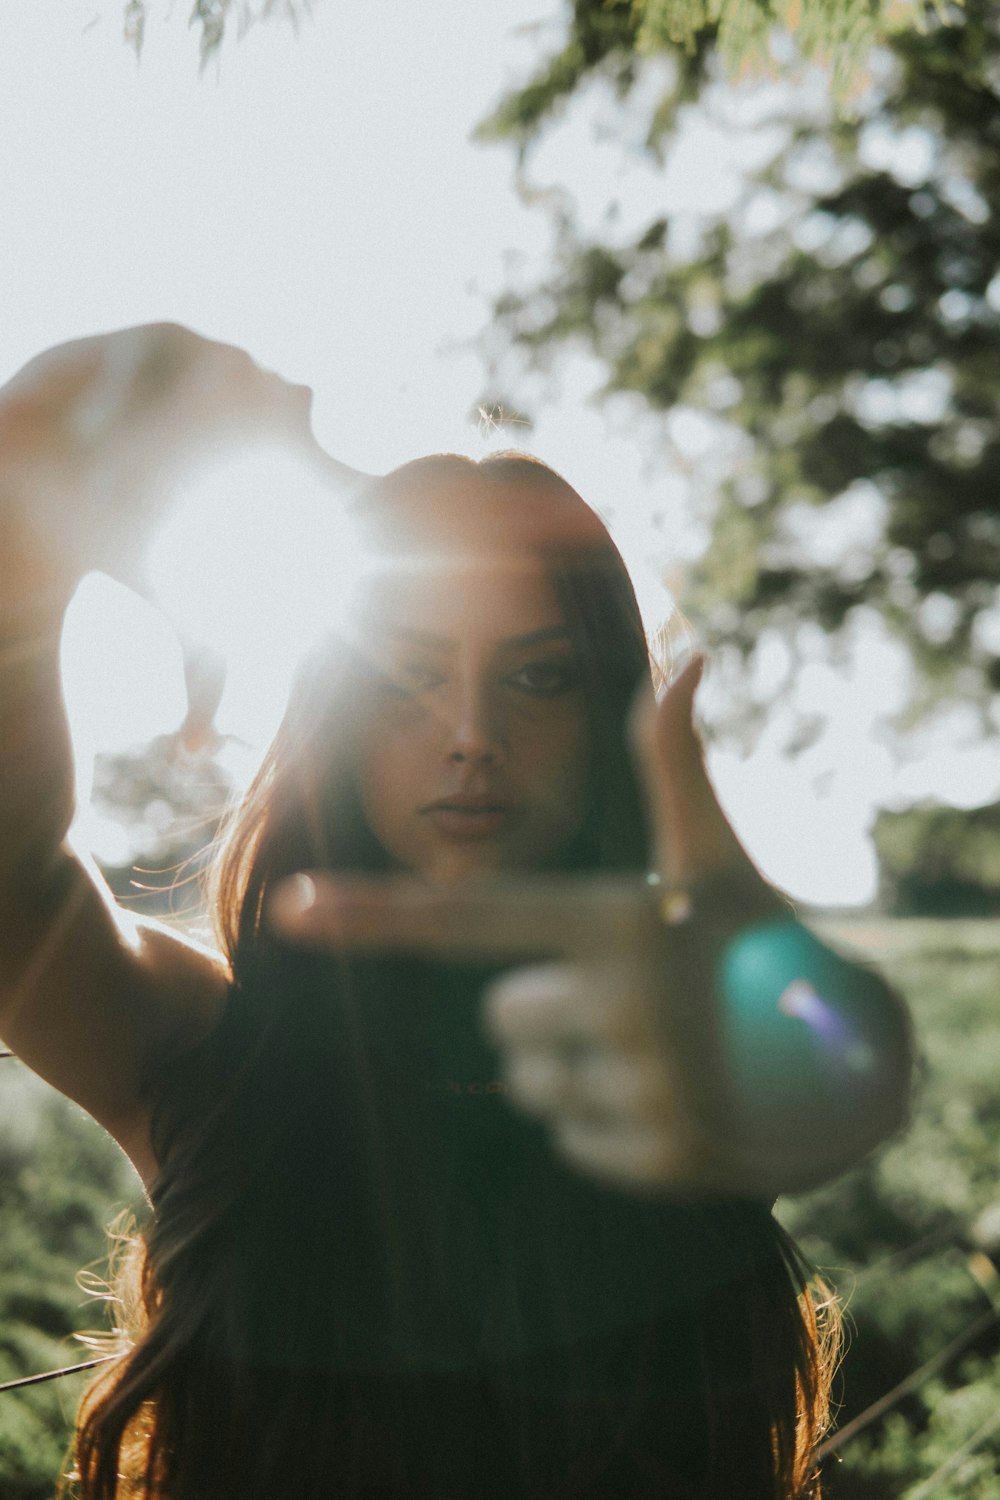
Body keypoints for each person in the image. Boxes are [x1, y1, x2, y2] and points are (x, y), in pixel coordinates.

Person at [0, 325, 911, 1500]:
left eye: (538, 676)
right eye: (407, 676)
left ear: (609, 722)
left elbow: (840, 1071)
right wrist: (50, 440)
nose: (470, 733)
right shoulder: (208, 1051)